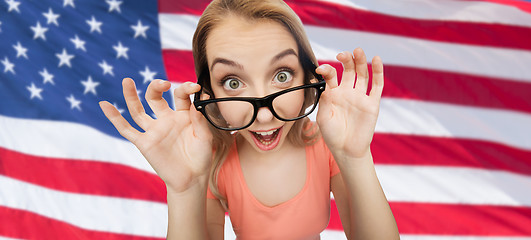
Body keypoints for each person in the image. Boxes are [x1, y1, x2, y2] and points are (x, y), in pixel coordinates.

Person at [99, 0, 400, 239]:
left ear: (309, 77)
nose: (265, 113)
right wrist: (186, 189)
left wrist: (355, 156)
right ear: (208, 94)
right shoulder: (213, 163)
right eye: (232, 82)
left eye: (282, 76)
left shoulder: (326, 147)